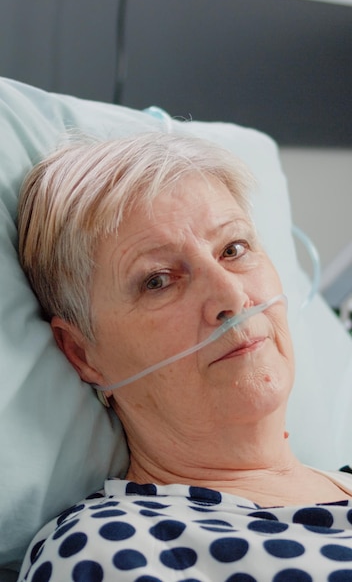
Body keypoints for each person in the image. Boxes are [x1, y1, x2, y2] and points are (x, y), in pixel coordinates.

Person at [17, 131, 352, 582]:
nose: (232, 298)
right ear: (81, 353)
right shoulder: (117, 546)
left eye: (233, 249)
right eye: (158, 280)